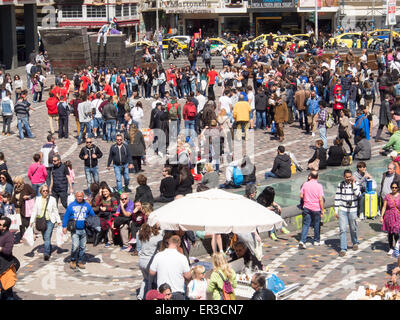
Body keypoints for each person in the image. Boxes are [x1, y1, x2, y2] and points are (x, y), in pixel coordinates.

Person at [149, 235, 191, 300]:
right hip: (177, 292)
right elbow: (188, 276)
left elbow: (151, 272)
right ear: (179, 244)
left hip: (162, 292)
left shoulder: (158, 255)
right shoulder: (182, 257)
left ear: (169, 242)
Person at [62, 191, 95, 269]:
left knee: (83, 246)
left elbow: (92, 215)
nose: (79, 198)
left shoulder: (87, 205)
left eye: (81, 196)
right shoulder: (71, 206)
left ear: (83, 197)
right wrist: (64, 226)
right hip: (75, 230)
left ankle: (80, 261)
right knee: (75, 246)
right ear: (75, 197)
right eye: (78, 196)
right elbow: (66, 216)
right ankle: (73, 260)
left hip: (84, 229)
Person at [29, 185, 61, 261]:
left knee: (47, 236)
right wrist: (31, 221)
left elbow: (55, 210)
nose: (45, 192)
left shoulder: (52, 199)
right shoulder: (38, 199)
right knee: (45, 237)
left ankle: (46, 254)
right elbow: (34, 211)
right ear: (41, 192)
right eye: (44, 191)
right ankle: (48, 247)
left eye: (47, 190)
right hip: (41, 221)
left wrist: (59, 220)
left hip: (50, 220)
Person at [334, 169, 362, 257]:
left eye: (350, 177)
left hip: (352, 210)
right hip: (343, 209)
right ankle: (343, 248)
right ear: (344, 177)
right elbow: (337, 197)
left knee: (353, 228)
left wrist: (354, 185)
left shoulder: (356, 184)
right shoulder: (341, 185)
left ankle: (355, 242)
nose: (348, 178)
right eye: (347, 177)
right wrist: (336, 210)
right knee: (342, 229)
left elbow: (358, 194)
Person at [137, 218, 163, 300]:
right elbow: (161, 248)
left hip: (141, 260)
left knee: (146, 279)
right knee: (151, 281)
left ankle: (140, 296)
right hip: (150, 261)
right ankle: (148, 297)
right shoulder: (158, 237)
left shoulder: (142, 235)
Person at [299, 171, 325, 249]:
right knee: (317, 224)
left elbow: (301, 195)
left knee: (306, 224)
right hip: (316, 208)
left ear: (310, 176)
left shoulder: (305, 184)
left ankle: (302, 240)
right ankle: (316, 240)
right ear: (317, 177)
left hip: (307, 207)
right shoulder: (319, 186)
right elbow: (320, 199)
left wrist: (306, 199)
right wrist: (322, 209)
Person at [11, 176, 36, 242]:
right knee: (20, 223)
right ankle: (22, 236)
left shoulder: (26, 186)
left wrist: (28, 196)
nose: (15, 185)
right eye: (15, 183)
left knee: (27, 222)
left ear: (20, 182)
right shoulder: (16, 188)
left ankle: (31, 234)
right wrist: (10, 203)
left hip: (26, 208)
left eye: (16, 183)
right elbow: (14, 197)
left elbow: (34, 193)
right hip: (18, 208)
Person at [0, 216, 19, 300]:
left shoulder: (9, 236)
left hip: (5, 267)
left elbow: (8, 251)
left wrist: (0, 248)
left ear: (5, 227)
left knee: (7, 289)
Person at [380, 181, 400, 256]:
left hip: (397, 216)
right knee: (390, 233)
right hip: (389, 216)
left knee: (396, 232)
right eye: (392, 187)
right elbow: (384, 206)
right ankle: (391, 247)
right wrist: (382, 216)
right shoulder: (388, 196)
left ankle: (397, 247)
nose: (394, 189)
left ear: (398, 188)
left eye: (395, 187)